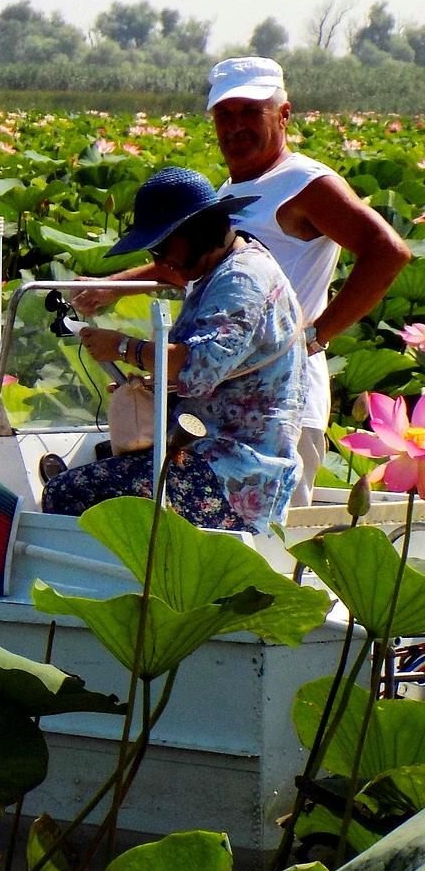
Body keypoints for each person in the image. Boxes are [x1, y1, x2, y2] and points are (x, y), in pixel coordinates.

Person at [73, 57, 409, 504]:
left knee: (267, 539)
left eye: (251, 112)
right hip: (222, 399)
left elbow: (388, 251)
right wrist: (113, 286)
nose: (236, 126)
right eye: (225, 115)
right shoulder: (233, 189)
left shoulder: (305, 183)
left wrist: (317, 335)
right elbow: (190, 264)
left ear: (284, 114)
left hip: (279, 400)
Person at [48, 167, 306, 531]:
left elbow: (201, 365)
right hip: (210, 454)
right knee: (100, 458)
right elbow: (222, 368)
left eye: (163, 245)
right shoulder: (227, 265)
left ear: (197, 232)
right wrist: (153, 387)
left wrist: (122, 346)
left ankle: (112, 584)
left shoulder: (240, 280)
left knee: (67, 491)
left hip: (233, 474)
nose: (160, 258)